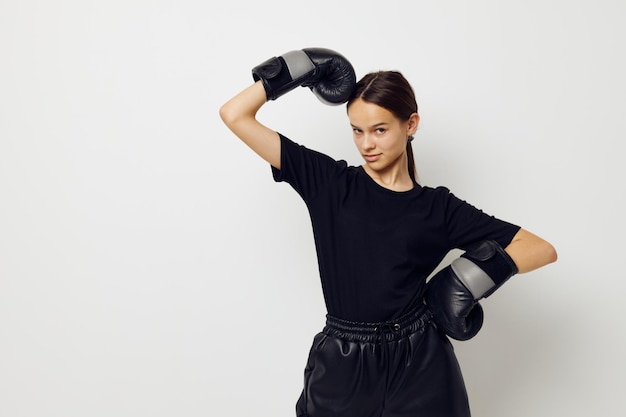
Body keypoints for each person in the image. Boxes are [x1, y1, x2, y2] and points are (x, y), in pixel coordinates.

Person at [219, 48, 557, 417]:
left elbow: (539, 248)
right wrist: (298, 67)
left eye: (380, 130)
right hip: (344, 362)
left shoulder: (437, 208)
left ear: (410, 125)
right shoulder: (329, 183)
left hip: (421, 362)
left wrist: (461, 281)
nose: (366, 144)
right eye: (357, 130)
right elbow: (234, 115)